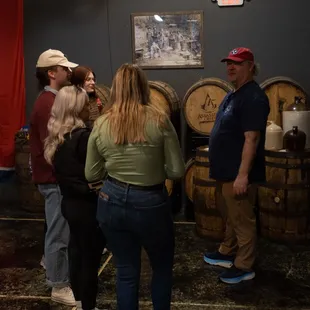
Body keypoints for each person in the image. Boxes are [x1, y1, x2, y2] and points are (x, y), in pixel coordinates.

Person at [85, 63, 185, 310]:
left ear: (116, 88)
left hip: (111, 201)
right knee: (161, 269)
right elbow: (177, 171)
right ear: (143, 87)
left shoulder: (101, 123)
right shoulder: (160, 120)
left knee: (126, 272)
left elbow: (91, 173)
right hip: (151, 202)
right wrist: (151, 167)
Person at [204, 47, 270, 284]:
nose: (230, 67)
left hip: (237, 173)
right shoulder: (234, 93)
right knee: (230, 215)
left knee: (242, 220)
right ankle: (227, 251)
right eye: (229, 63)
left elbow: (252, 139)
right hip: (225, 170)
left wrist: (243, 176)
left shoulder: (254, 97)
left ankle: (244, 265)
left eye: (237, 63)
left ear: (250, 66)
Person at [44, 85, 105, 310]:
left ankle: (80, 302)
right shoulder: (83, 137)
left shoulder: (58, 136)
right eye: (85, 103)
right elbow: (96, 172)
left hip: (69, 203)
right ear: (77, 108)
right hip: (88, 205)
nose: (89, 107)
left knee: (76, 252)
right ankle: (88, 305)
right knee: (90, 260)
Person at [29, 49, 78, 306]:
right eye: (64, 68)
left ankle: (55, 269)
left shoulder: (50, 100)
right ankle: (59, 286)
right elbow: (54, 147)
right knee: (59, 234)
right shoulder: (48, 103)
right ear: (51, 73)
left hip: (53, 178)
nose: (69, 72)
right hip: (53, 178)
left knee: (57, 230)